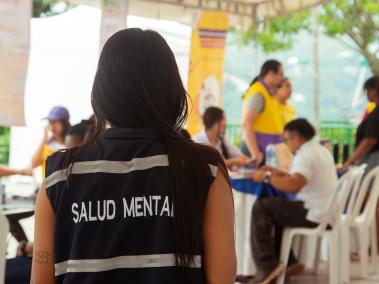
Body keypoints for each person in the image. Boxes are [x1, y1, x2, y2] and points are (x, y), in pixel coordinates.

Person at [31, 29, 236, 284]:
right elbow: (223, 280)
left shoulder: (60, 174)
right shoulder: (205, 169)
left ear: (103, 91)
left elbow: (40, 279)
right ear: (172, 89)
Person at [248, 119, 337, 284]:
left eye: (287, 139)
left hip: (314, 213)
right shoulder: (320, 150)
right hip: (325, 210)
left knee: (262, 206)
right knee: (278, 207)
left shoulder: (306, 155)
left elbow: (294, 186)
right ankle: (289, 262)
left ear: (296, 137)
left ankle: (266, 266)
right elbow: (299, 179)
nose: (286, 144)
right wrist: (279, 174)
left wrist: (266, 177)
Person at [5, 120, 91, 284]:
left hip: (62, 264)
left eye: (73, 152)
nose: (69, 159)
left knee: (7, 272)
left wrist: (25, 247)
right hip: (61, 260)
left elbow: (57, 244)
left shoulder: (62, 181)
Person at [242, 60, 285, 165]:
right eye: (281, 74)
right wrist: (255, 153)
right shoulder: (258, 95)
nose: (282, 78)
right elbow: (247, 123)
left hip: (270, 154)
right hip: (260, 154)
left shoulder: (270, 94)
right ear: (271, 73)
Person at [341, 76, 379, 174]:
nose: (366, 94)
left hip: (373, 160)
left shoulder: (376, 113)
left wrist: (350, 161)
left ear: (374, 91)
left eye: (367, 91)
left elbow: (369, 140)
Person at [31, 106, 71, 177]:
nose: (51, 126)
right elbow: (34, 164)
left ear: (64, 123)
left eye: (54, 122)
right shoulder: (48, 144)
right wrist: (44, 138)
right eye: (50, 122)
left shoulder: (72, 143)